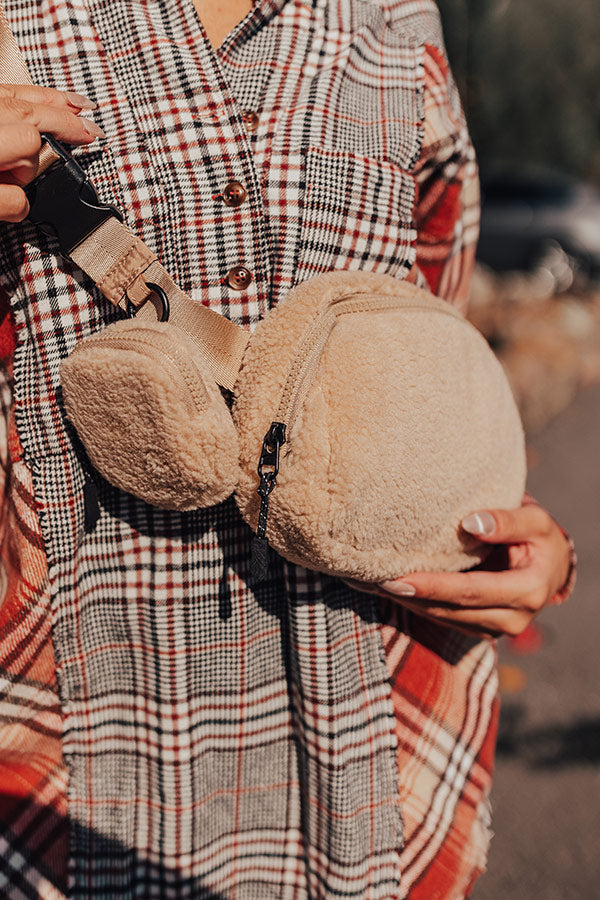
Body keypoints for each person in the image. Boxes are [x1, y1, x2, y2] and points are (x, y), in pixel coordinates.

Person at [0, 0, 574, 897]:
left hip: (387, 786)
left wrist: (525, 549)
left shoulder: (395, 24)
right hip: (73, 792)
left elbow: (441, 359)